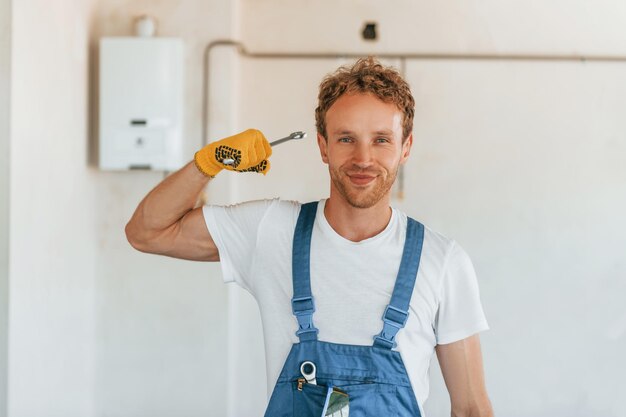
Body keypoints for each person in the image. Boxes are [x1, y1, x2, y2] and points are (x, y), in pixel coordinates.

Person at [126, 57, 494, 417]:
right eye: (346, 138)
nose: (363, 158)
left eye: (381, 139)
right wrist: (208, 164)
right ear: (323, 146)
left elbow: (472, 408)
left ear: (406, 147)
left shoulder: (442, 261)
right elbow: (147, 232)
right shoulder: (272, 231)